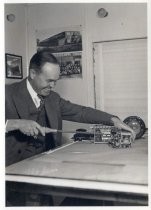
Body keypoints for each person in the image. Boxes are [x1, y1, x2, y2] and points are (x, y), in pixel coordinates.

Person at [5, 50, 135, 205]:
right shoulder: (6, 93)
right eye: (49, 80)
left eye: (56, 81)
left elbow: (81, 112)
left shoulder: (53, 98)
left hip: (45, 176)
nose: (53, 86)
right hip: (10, 179)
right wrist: (12, 124)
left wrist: (113, 120)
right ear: (33, 73)